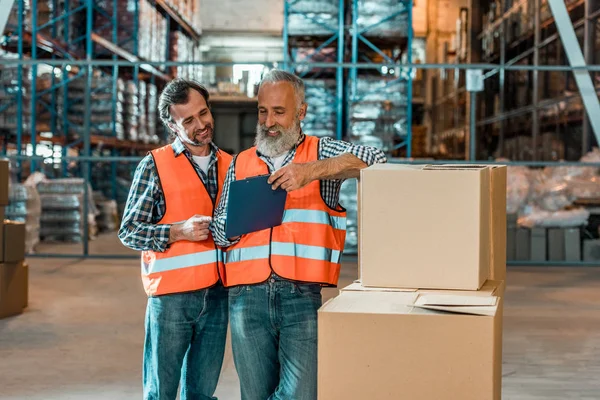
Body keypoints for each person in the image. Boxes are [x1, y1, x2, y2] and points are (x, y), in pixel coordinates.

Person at [211, 69, 387, 400]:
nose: (269, 121)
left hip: (300, 297)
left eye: (279, 111)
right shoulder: (241, 163)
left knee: (301, 394)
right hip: (246, 299)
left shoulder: (321, 152)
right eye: (263, 111)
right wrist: (238, 219)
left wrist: (312, 171)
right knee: (254, 394)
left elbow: (377, 159)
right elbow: (218, 230)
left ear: (301, 112)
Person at [118, 79, 232, 400]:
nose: (201, 125)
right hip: (171, 300)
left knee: (202, 393)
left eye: (204, 113)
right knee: (162, 393)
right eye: (189, 121)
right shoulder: (154, 165)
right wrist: (177, 231)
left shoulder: (231, 165)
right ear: (171, 124)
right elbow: (130, 230)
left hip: (218, 296)